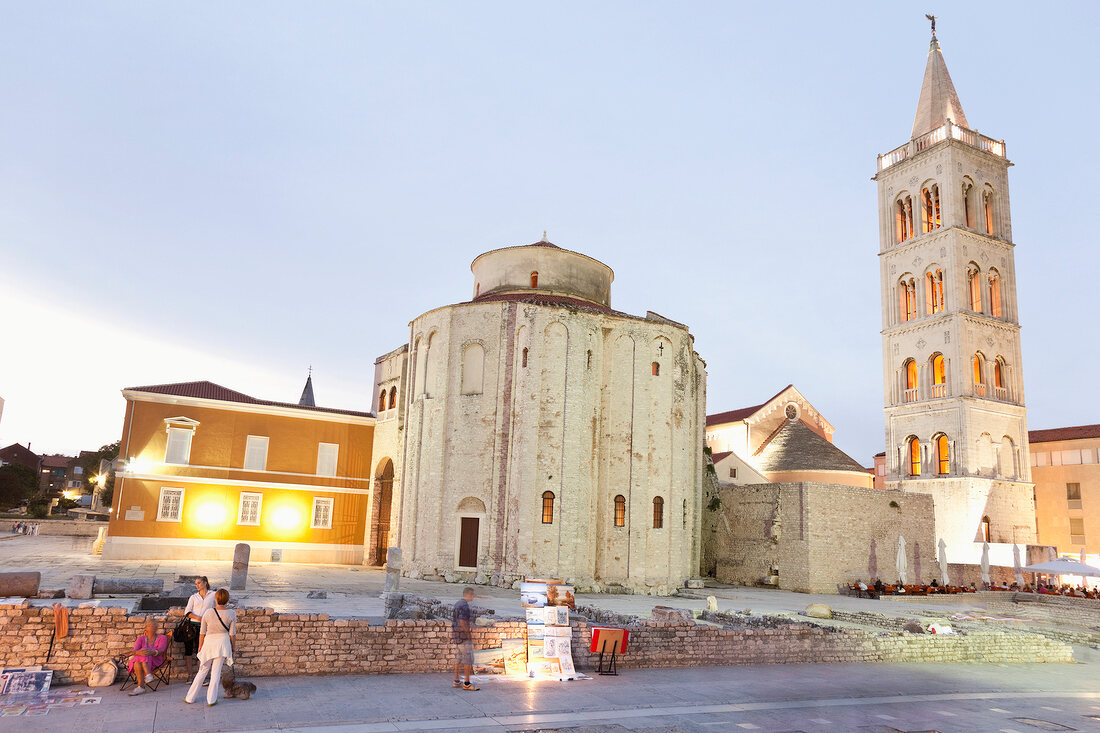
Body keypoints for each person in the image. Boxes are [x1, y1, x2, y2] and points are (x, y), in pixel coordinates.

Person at [184, 588, 236, 706]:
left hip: (209, 643)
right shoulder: (231, 613)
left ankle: (190, 697)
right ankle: (211, 700)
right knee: (216, 673)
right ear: (227, 600)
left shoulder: (208, 612)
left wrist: (200, 647)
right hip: (223, 643)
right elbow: (232, 634)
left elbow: (202, 632)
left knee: (202, 670)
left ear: (216, 599)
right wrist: (233, 647)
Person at [182, 576, 215, 678]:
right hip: (191, 626)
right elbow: (187, 612)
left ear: (205, 583)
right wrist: (199, 618)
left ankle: (200, 677)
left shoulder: (213, 595)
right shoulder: (193, 597)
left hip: (205, 627)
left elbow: (216, 609)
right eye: (196, 583)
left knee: (200, 651)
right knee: (188, 651)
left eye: (199, 583)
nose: (197, 585)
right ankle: (190, 675)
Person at [127, 618, 169, 696]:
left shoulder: (162, 638)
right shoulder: (141, 639)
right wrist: (140, 652)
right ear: (146, 627)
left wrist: (152, 652)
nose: (152, 627)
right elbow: (135, 651)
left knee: (145, 654)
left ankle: (141, 687)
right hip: (140, 661)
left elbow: (161, 650)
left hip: (156, 660)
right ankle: (147, 677)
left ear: (157, 628)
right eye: (150, 626)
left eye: (154, 626)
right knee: (141, 656)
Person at [451, 587, 478, 691]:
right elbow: (462, 621)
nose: (473, 597)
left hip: (456, 636)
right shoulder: (464, 606)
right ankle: (467, 683)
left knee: (457, 657)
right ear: (469, 594)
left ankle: (456, 680)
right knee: (467, 659)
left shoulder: (457, 603)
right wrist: (468, 635)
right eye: (472, 594)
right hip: (463, 636)